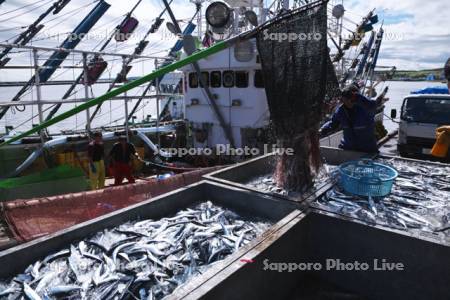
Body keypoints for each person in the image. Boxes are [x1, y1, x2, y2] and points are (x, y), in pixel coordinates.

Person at [320, 84, 380, 153]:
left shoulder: (365, 108)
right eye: (345, 99)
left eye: (351, 98)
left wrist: (357, 97)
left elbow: (373, 106)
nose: (348, 101)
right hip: (347, 148)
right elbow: (333, 124)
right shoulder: (340, 111)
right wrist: (322, 130)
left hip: (367, 150)